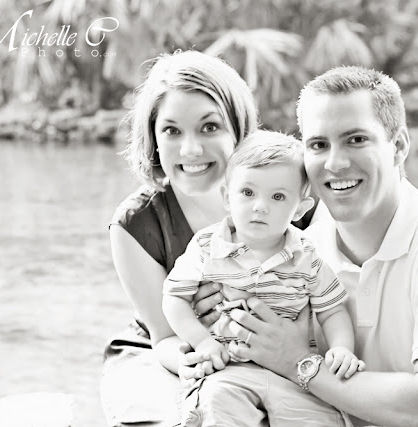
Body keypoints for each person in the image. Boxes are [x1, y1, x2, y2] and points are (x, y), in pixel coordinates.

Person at [221, 66, 418, 426]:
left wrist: (299, 363)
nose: (335, 163)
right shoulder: (303, 252)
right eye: (318, 145)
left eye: (356, 139)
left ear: (399, 146)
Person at [100, 50, 259, 426]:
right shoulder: (136, 224)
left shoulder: (283, 196)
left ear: (239, 129)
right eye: (172, 131)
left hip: (255, 346)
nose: (190, 149)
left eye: (209, 127)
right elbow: (164, 337)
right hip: (163, 352)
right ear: (154, 139)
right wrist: (191, 359)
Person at [163, 131, 363, 426]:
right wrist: (202, 342)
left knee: (323, 417)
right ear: (226, 196)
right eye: (247, 193)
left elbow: (333, 310)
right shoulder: (207, 247)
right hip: (227, 369)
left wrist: (342, 348)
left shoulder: (306, 255)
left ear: (300, 209)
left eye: (278, 197)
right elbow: (174, 299)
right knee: (214, 407)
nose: (260, 206)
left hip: (292, 374)